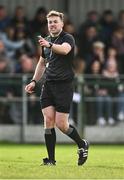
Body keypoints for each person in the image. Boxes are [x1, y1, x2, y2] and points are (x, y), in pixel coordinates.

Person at [25, 10, 89, 166]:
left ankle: (82, 144)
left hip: (64, 85)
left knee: (62, 125)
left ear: (61, 23)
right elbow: (41, 63)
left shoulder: (67, 38)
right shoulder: (45, 41)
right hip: (48, 85)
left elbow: (65, 50)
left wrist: (50, 45)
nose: (52, 24)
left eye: (55, 22)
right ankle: (51, 160)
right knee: (48, 120)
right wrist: (34, 80)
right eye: (50, 22)